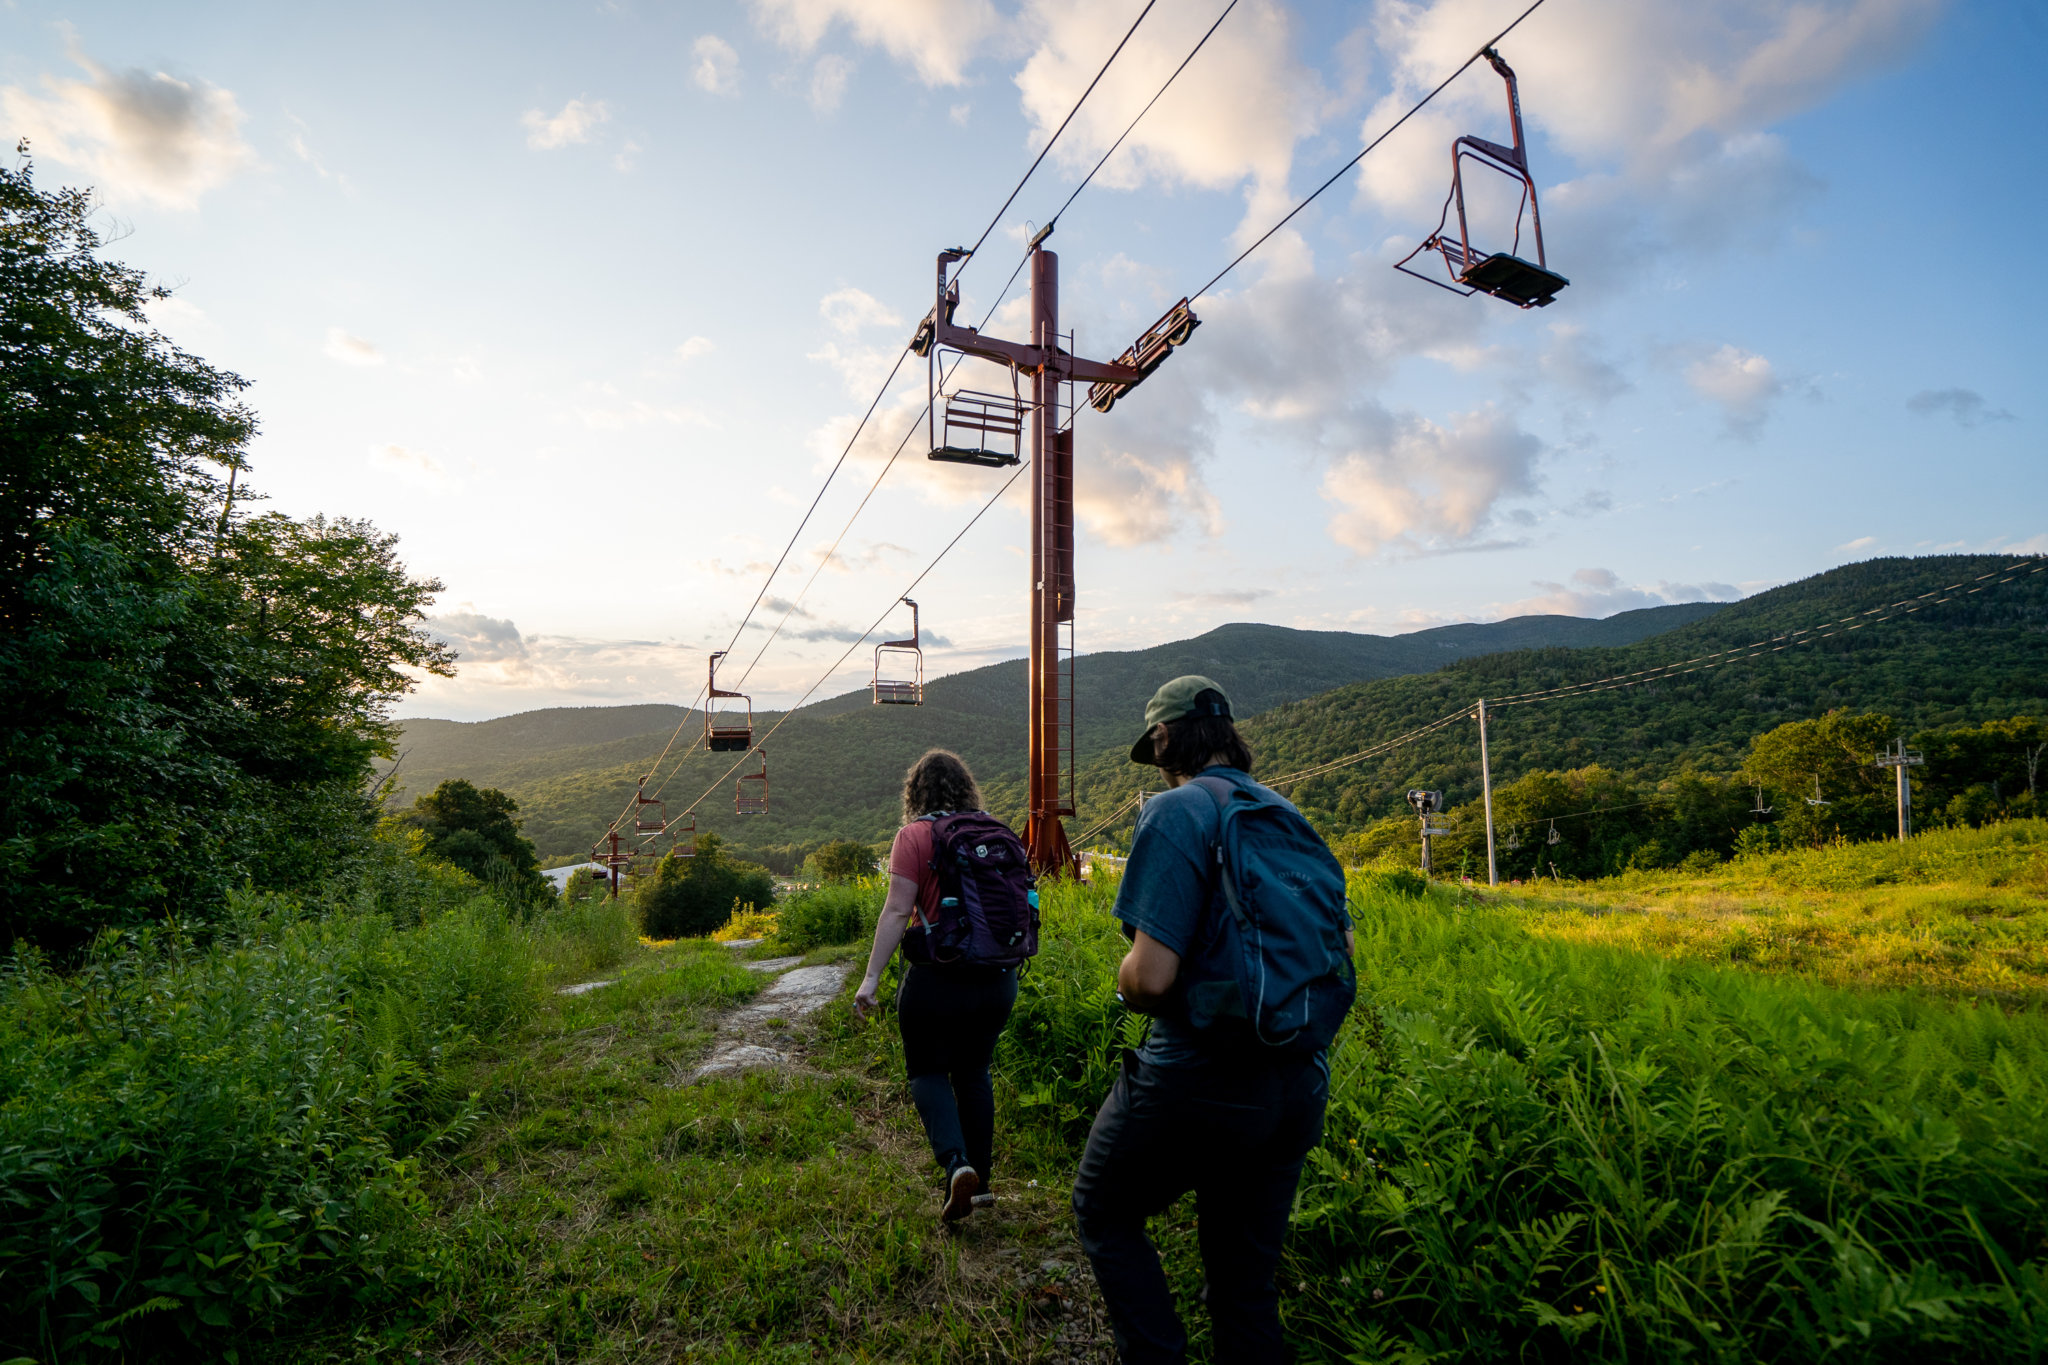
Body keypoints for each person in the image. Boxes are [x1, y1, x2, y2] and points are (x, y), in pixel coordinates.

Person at [1072, 676, 1352, 1364]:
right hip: (1296, 1079)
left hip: (1199, 1072)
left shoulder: (1177, 810)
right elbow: (1342, 954)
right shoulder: (1287, 815)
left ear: (1164, 740)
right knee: (1244, 1286)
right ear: (1231, 736)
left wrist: (1122, 976)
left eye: (1155, 744)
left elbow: (1152, 977)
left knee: (1103, 1209)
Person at [854, 748, 1021, 1223]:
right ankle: (982, 1187)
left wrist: (871, 980)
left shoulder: (914, 836)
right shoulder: (995, 831)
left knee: (926, 1071)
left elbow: (896, 911)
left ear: (915, 791)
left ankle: (956, 1164)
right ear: (967, 787)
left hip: (938, 981)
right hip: (998, 978)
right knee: (974, 1071)